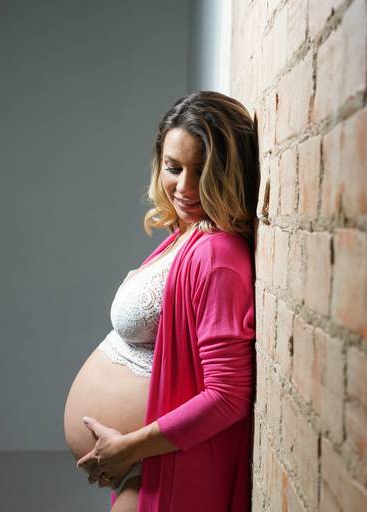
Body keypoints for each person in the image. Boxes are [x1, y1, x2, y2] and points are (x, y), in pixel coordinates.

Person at [63, 90, 259, 512]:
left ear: (230, 172)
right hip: (144, 465)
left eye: (203, 171)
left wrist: (129, 448)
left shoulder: (219, 256)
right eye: (174, 168)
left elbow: (228, 396)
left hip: (159, 461)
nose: (185, 187)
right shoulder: (185, 235)